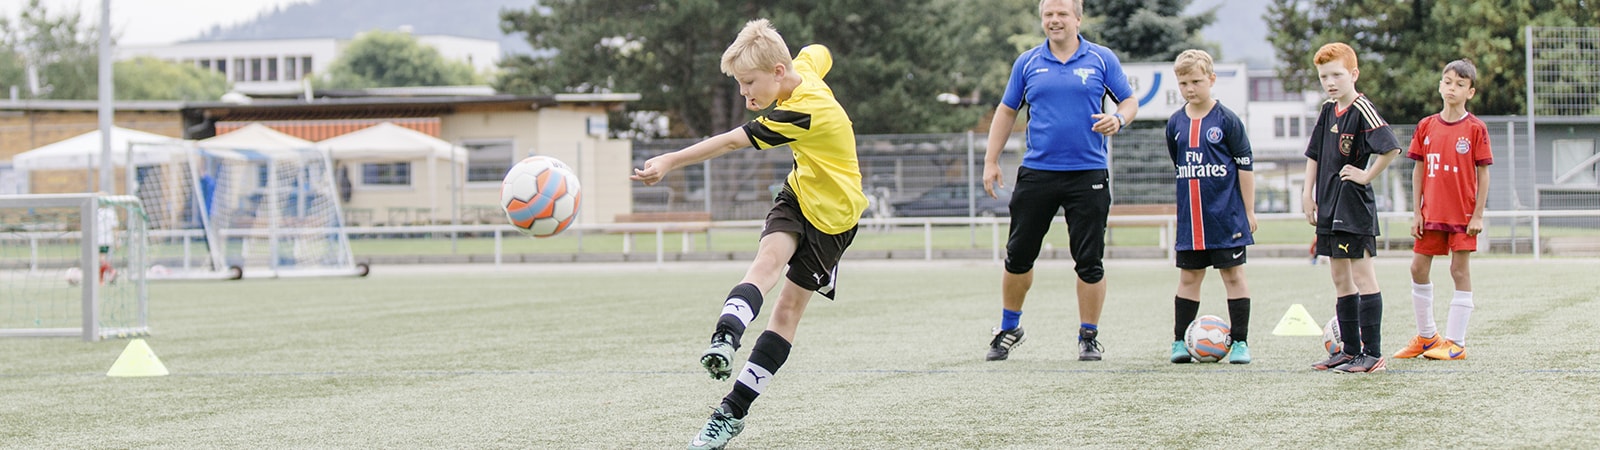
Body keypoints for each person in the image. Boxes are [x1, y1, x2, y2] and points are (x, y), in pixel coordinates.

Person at [630, 19, 868, 450]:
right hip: (798, 195)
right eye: (740, 84)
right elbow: (819, 50)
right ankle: (725, 337)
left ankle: (732, 412)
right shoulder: (800, 69)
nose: (745, 94)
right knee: (765, 264)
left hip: (834, 221)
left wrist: (669, 160)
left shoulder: (802, 112)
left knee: (786, 312)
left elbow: (729, 143)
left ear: (777, 72)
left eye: (748, 83)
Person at [981, 0, 1138, 362]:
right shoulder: (1028, 63)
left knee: (1089, 261)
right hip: (1038, 173)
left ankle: (1088, 335)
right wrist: (991, 160)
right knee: (1018, 256)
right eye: (1049, 14)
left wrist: (1119, 120)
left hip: (1088, 173)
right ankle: (1009, 326)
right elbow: (1007, 111)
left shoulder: (1100, 59)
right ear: (1042, 19)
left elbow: (1128, 100)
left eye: (1062, 14)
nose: (1055, 20)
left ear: (1078, 19)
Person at [1301, 42, 1402, 374]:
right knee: (1339, 277)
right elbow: (1314, 155)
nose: (1330, 82)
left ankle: (1372, 354)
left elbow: (1391, 148)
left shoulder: (1362, 108)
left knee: (1362, 275)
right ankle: (1349, 351)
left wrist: (1365, 175)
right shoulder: (1329, 110)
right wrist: (1307, 193)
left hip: (1353, 205)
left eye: (1337, 75)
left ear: (1353, 74)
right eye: (1324, 76)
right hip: (1328, 205)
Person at [1162, 49, 1256, 364]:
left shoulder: (1227, 120)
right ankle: (1179, 341)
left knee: (1233, 276)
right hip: (1192, 221)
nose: (1190, 88)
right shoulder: (1175, 123)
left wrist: (1249, 211)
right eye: (1184, 82)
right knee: (1189, 278)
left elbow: (1245, 167)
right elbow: (1180, 164)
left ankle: (1240, 342)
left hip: (1226, 218)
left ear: (1211, 80)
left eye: (1197, 81)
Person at [1394, 59, 1491, 361]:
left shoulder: (1475, 129)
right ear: (1440, 85)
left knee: (1458, 270)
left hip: (1462, 216)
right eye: (1448, 82)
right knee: (1417, 268)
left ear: (1470, 92)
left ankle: (1456, 343)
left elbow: (1484, 174)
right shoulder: (1426, 126)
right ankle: (1426, 337)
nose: (1452, 88)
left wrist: (1477, 214)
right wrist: (1416, 211)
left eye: (1460, 84)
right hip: (1431, 214)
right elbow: (1418, 171)